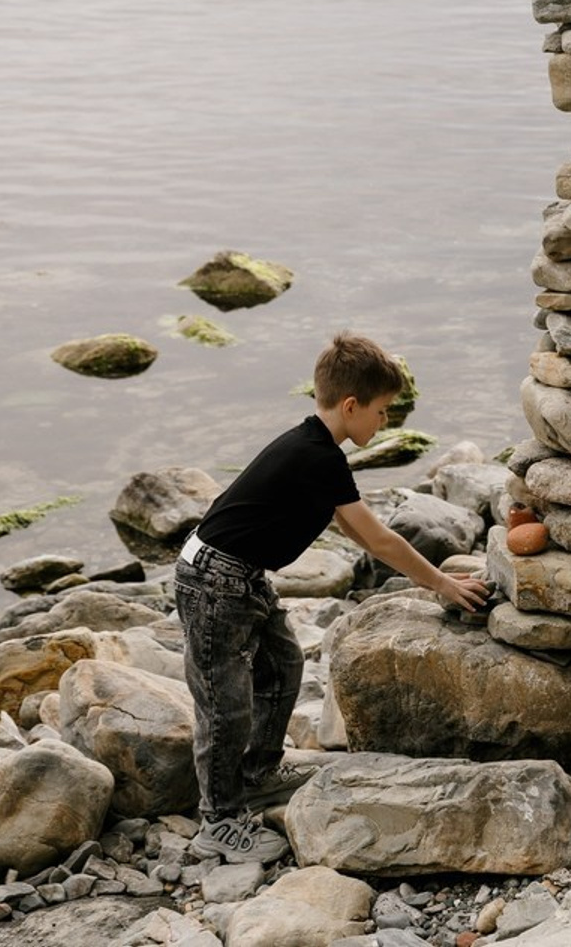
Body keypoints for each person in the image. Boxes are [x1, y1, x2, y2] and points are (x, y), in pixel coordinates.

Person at [175, 331, 489, 860]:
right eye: (383, 411)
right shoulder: (317, 457)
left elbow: (351, 527)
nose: (385, 422)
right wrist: (442, 583)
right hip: (213, 580)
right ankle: (218, 820)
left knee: (282, 666)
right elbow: (377, 537)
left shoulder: (313, 448)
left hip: (240, 574)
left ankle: (258, 770)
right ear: (350, 405)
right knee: (224, 703)